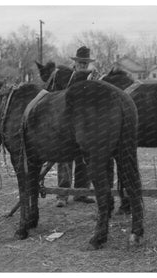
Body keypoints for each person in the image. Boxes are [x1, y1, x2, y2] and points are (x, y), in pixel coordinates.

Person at [56, 46, 97, 207]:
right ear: (75, 62)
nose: (83, 66)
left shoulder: (92, 78)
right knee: (65, 158)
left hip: (84, 124)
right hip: (66, 122)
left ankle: (81, 193)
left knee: (84, 159)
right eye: (81, 63)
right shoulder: (65, 76)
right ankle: (62, 195)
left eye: (86, 63)